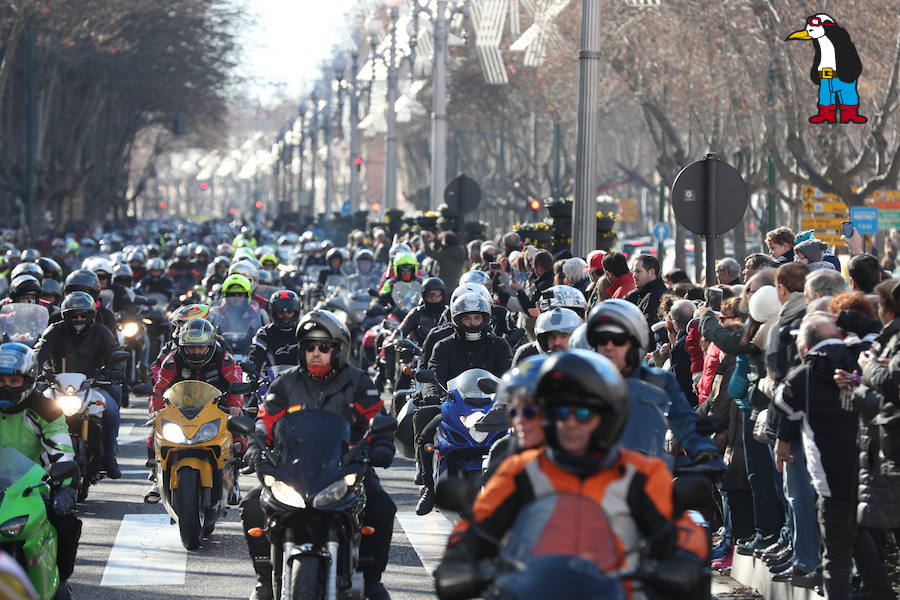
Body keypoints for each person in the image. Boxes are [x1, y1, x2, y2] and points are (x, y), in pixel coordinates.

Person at [436, 350, 707, 598]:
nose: (570, 422)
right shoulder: (521, 471)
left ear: (607, 415)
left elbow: (681, 529)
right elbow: (480, 525)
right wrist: (461, 557)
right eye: (561, 412)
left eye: (583, 412)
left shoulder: (640, 473)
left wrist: (683, 559)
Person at [240, 310, 395, 600]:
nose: (315, 353)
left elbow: (377, 418)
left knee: (383, 506)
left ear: (339, 349)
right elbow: (266, 420)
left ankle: (372, 579)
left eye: (324, 347)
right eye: (309, 346)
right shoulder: (285, 383)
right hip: (293, 469)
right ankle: (264, 580)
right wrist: (254, 444)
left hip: (348, 466)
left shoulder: (359, 382)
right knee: (251, 504)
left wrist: (382, 444)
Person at [775, 314, 860, 598]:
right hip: (868, 471)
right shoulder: (863, 359)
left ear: (805, 345)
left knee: (835, 554)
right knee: (864, 546)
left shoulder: (801, 377)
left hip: (828, 477)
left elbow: (782, 407)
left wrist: (782, 440)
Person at [415, 292, 513, 515]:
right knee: (425, 433)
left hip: (493, 407)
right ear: (457, 320)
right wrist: (432, 394)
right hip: (454, 405)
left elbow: (509, 374)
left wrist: (510, 393)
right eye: (467, 318)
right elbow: (434, 373)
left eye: (477, 318)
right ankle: (429, 488)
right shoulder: (443, 346)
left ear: (485, 319)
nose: (472, 323)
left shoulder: (499, 345)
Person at [586, 299, 717, 464]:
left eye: (619, 340)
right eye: (602, 340)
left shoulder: (659, 381)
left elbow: (685, 423)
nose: (609, 347)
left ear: (634, 341)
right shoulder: (585, 384)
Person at [0, 343, 80, 600]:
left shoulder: (45, 408)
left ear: (29, 380)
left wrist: (64, 486)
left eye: (14, 380)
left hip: (30, 487)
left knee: (65, 520)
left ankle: (59, 580)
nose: (6, 386)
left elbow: (61, 449)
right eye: (1, 380)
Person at [147, 317, 244, 503]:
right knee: (153, 436)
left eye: (201, 347)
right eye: (191, 347)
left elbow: (236, 382)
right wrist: (156, 410)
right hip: (179, 407)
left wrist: (235, 405)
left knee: (239, 435)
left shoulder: (223, 357)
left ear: (210, 344)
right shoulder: (172, 359)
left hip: (218, 406)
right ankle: (155, 476)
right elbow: (159, 388)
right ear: (183, 346)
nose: (196, 352)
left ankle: (235, 479)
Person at [35, 291, 123, 478]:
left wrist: (115, 370)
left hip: (93, 385)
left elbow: (115, 353)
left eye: (83, 315)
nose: (79, 318)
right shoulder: (54, 330)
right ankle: (34, 458)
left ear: (91, 315)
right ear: (65, 315)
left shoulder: (101, 331)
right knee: (35, 411)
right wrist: (33, 372)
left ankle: (109, 455)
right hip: (56, 387)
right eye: (74, 315)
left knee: (111, 409)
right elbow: (39, 352)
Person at [246, 290, 300, 378]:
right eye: (281, 313)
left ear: (296, 312)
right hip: (270, 383)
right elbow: (255, 358)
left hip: (301, 383)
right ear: (273, 313)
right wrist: (252, 378)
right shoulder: (264, 334)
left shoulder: (303, 331)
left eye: (289, 312)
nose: (285, 316)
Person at [512, 307, 581, 364]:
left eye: (563, 336)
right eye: (552, 337)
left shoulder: (585, 357)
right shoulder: (527, 355)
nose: (556, 342)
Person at [627, 254, 668, 330]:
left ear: (651, 273)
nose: (634, 275)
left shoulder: (656, 296)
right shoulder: (636, 294)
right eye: (633, 272)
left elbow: (647, 328)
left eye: (638, 271)